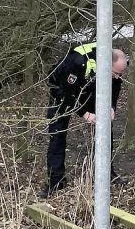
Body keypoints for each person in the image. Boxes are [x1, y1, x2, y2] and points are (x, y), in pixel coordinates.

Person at [40, 42, 127, 198]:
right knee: (57, 135)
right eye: (115, 73)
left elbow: (116, 85)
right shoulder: (78, 61)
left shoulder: (114, 65)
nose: (117, 76)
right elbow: (65, 94)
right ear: (106, 64)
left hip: (89, 88)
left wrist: (111, 106)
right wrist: (85, 114)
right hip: (62, 91)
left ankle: (105, 173)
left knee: (106, 129)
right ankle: (56, 181)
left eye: (120, 74)